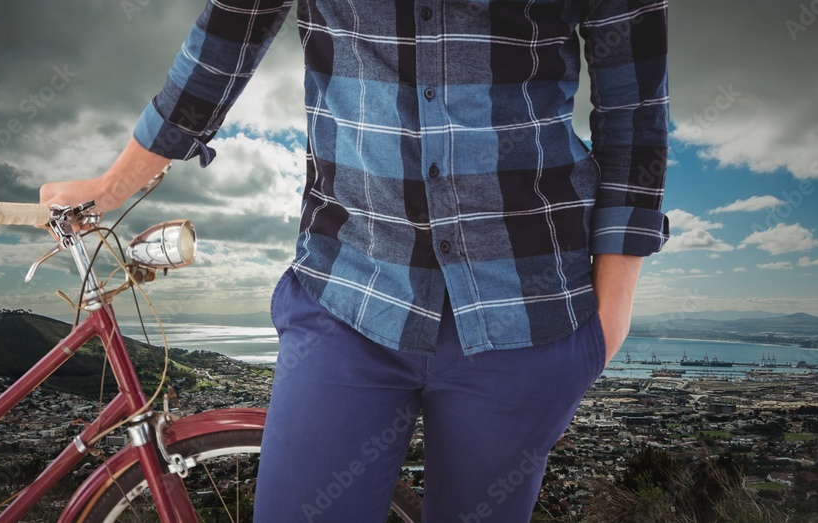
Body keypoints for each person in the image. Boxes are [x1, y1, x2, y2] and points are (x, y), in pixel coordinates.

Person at [40, 0, 670, 520]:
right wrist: (115, 183)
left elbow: (635, 111)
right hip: (346, 293)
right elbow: (229, 29)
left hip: (529, 311)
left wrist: (610, 318)